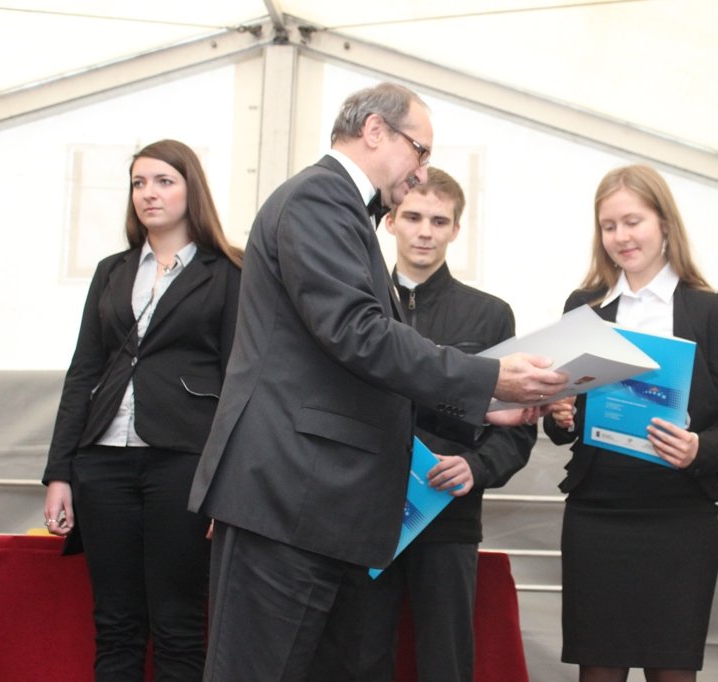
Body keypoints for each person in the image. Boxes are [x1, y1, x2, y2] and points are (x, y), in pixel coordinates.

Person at [187, 82, 567, 681]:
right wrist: (490, 375)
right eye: (420, 151)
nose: (421, 173)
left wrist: (487, 404)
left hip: (313, 504)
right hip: (287, 496)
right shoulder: (319, 198)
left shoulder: (341, 210)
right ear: (373, 130)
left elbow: (355, 369)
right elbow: (358, 335)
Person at [322, 167, 537, 681]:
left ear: (456, 230)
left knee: (446, 661)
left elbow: (517, 427)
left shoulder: (490, 316)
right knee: (361, 659)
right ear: (390, 221)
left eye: (439, 221)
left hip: (448, 516)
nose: (425, 232)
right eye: (413, 217)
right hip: (364, 513)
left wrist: (475, 467)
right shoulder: (358, 309)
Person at [42, 139, 243, 680]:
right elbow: (83, 372)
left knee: (179, 624)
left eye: (163, 181)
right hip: (103, 460)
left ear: (191, 190)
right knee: (115, 623)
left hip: (184, 460)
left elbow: (240, 382)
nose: (148, 193)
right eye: (138, 183)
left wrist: (228, 483)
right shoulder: (112, 270)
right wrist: (59, 473)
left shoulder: (229, 271)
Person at [543, 164, 718, 682]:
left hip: (679, 517)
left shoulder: (707, 308)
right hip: (597, 513)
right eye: (608, 226)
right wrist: (560, 413)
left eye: (632, 222)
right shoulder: (584, 307)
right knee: (598, 671)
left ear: (664, 223)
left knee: (671, 671)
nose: (621, 237)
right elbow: (561, 422)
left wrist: (699, 449)